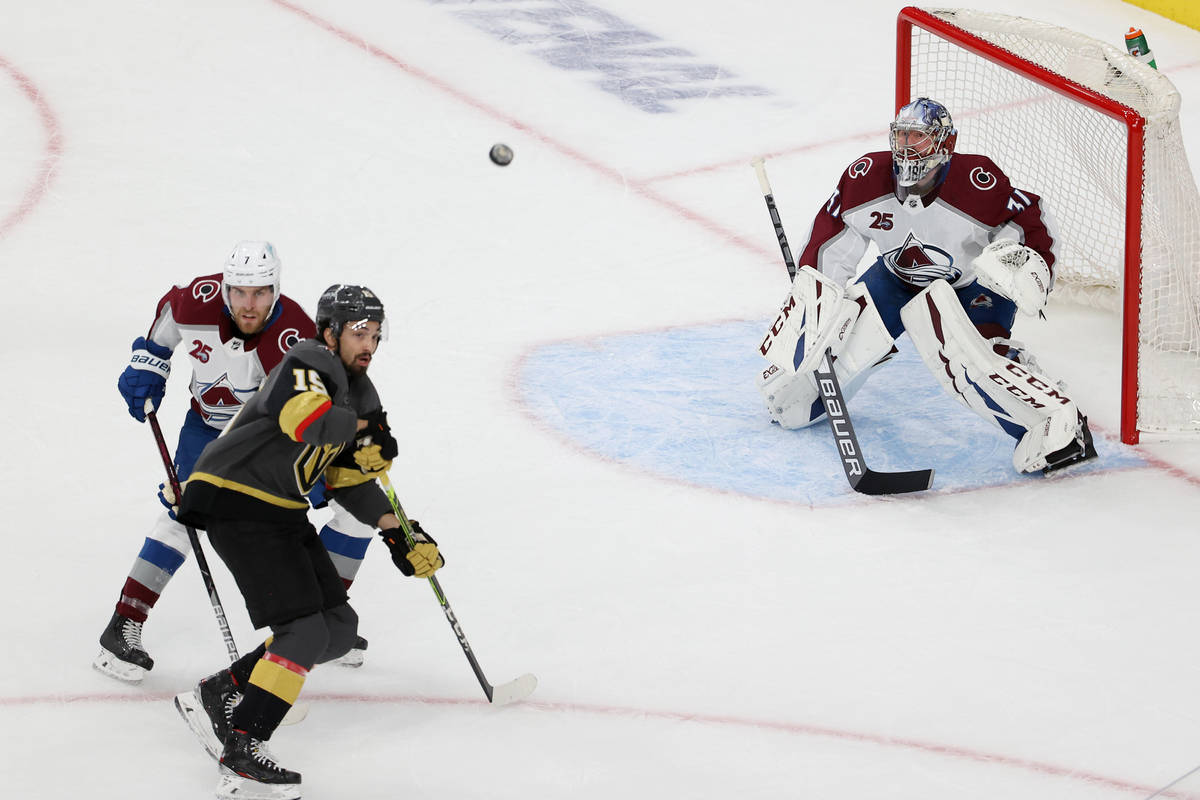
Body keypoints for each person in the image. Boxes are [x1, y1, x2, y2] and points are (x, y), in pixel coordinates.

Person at [171, 284, 443, 800]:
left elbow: (345, 477)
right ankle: (243, 750)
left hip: (282, 509)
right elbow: (307, 421)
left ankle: (219, 694)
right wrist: (365, 430)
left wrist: (397, 531)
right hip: (238, 496)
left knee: (337, 631)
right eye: (360, 333)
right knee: (301, 632)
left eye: (377, 336)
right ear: (330, 331)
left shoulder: (362, 393)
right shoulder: (308, 360)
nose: (370, 345)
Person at [757, 97, 1096, 474]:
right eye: (901, 137)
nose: (906, 148)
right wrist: (815, 300)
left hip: (969, 289)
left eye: (918, 139)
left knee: (967, 358)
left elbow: (1029, 216)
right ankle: (815, 389)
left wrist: (1032, 269)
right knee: (798, 389)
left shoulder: (977, 182)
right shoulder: (866, 178)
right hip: (896, 277)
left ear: (945, 145)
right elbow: (830, 242)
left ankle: (1055, 422)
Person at [94, 241, 317, 683]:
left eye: (260, 293)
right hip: (204, 428)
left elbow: (298, 417)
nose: (248, 304)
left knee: (284, 526)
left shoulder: (293, 337)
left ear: (276, 290)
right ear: (225, 288)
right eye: (239, 292)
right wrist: (148, 366)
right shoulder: (194, 302)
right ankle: (123, 624)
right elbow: (163, 328)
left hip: (262, 441)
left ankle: (309, 631)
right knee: (182, 514)